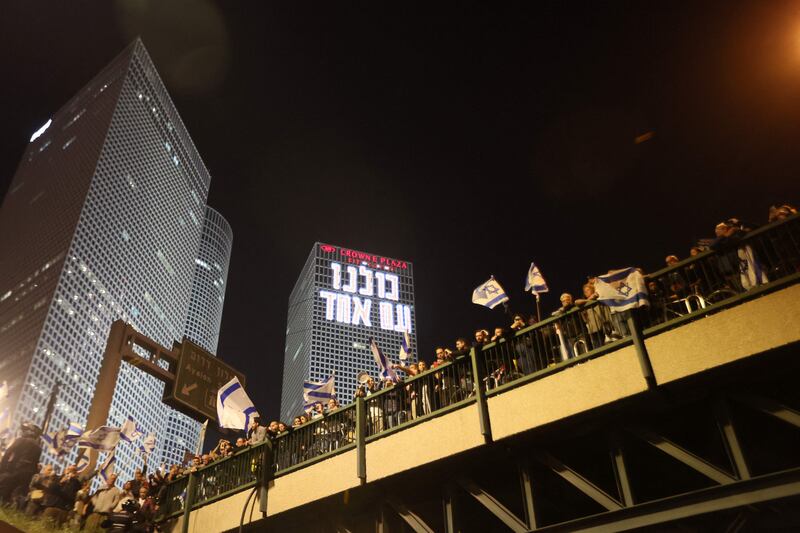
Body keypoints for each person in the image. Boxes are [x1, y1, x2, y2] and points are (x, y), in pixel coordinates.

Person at [0, 423, 42, 504]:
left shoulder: (22, 440)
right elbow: (35, 463)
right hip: (27, 475)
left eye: (25, 430)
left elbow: (8, 453)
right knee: (15, 493)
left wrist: (2, 468)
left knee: (4, 488)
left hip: (15, 469)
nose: (23, 432)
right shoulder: (39, 447)